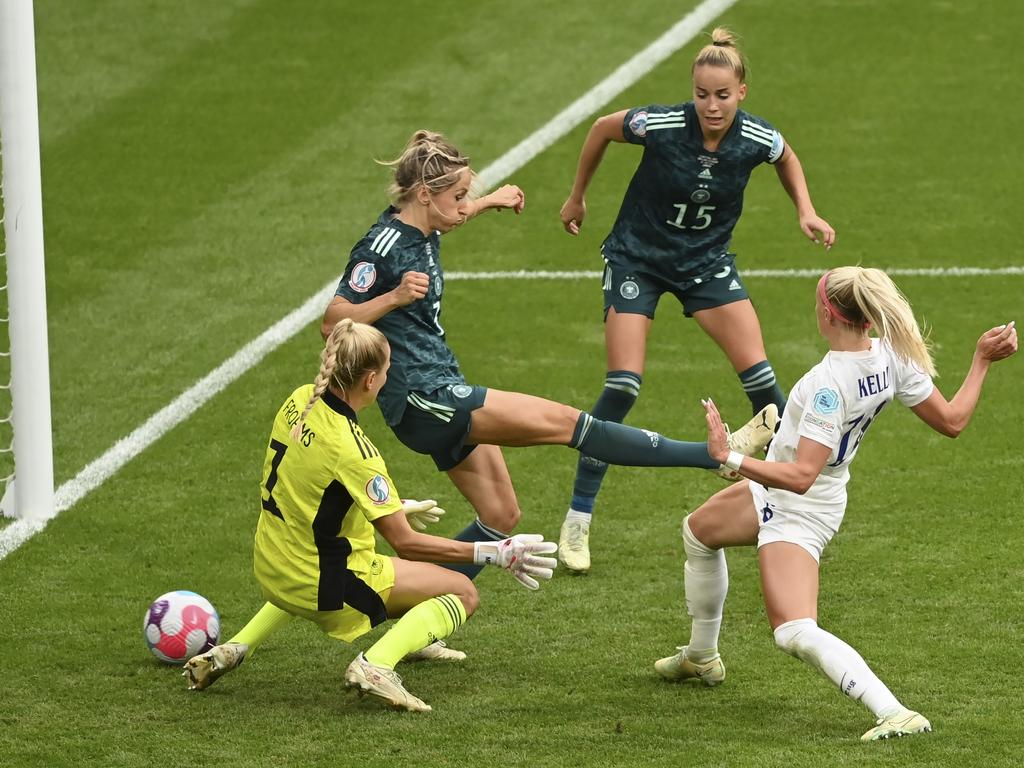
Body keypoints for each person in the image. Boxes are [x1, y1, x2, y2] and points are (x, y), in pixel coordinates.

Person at [320, 130, 779, 580]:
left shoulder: (425, 222)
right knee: (572, 425)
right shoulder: (381, 249)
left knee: (501, 514)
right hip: (425, 397)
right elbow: (332, 321)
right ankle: (717, 455)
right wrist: (395, 297)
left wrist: (488, 202)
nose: (462, 207)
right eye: (458, 196)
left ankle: (418, 597)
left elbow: (450, 215)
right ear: (424, 194)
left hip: (439, 389)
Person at [653, 266, 1017, 741]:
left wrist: (731, 458)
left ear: (828, 314)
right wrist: (981, 360)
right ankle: (701, 657)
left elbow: (801, 477)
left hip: (799, 507)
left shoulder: (828, 385)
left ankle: (895, 712)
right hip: (789, 491)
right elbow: (952, 421)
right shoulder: (892, 355)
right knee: (699, 531)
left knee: (793, 629)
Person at [556, 27, 836, 573]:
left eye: (723, 95)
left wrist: (805, 209)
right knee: (623, 385)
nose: (711, 105)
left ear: (741, 93)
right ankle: (578, 516)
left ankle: (795, 506)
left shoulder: (755, 137)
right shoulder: (661, 125)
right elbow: (602, 128)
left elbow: (786, 156)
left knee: (765, 386)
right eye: (702, 94)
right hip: (637, 260)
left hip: (705, 265)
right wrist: (577, 196)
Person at [182, 319, 559, 713]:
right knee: (462, 592)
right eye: (388, 368)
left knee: (315, 556)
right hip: (322, 589)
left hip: (272, 566)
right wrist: (494, 552)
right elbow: (407, 543)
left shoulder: (298, 401)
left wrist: (396, 507)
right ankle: (376, 664)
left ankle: (235, 647)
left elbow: (309, 490)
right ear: (371, 379)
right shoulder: (354, 450)